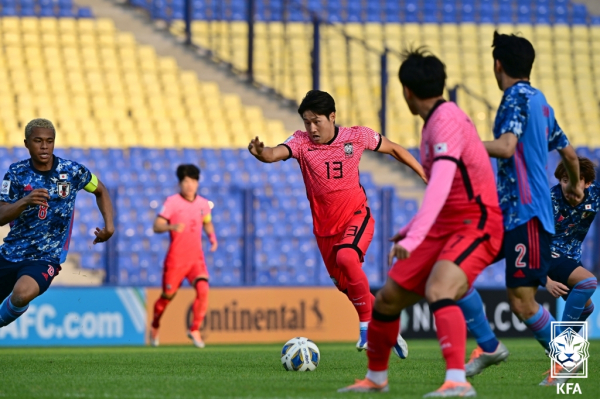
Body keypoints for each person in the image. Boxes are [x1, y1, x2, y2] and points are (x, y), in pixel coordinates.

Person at [338, 48, 504, 397]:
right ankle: (376, 379)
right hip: (450, 223)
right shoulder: (438, 120)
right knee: (387, 300)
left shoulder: (444, 122)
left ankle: (459, 381)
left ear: (406, 92)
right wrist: (414, 229)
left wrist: (413, 239)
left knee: (443, 289)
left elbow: (440, 183)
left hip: (477, 221)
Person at [248, 89, 426, 355]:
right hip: (324, 231)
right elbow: (274, 153)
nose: (311, 128)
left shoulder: (356, 136)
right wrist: (261, 152)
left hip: (357, 216)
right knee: (349, 287)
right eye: (306, 122)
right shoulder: (300, 142)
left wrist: (424, 173)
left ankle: (366, 325)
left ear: (332, 117)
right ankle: (389, 329)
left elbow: (395, 149)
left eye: (316, 121)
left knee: (347, 257)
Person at [456, 32, 583, 386]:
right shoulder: (541, 101)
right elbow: (570, 154)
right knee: (457, 270)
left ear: (498, 65)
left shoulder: (513, 97)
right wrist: (574, 184)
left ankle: (568, 361)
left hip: (525, 213)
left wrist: (462, 147)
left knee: (523, 303)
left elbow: (507, 146)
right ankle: (488, 344)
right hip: (508, 214)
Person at [0, 118, 114, 328]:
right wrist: (25, 201)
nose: (44, 146)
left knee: (21, 294)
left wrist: (110, 226)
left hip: (45, 257)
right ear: (26, 143)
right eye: (38, 141)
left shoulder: (72, 171)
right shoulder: (16, 173)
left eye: (49, 141)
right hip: (10, 252)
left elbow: (101, 190)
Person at [150, 164, 217, 348]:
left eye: (193, 181)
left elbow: (207, 222)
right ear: (180, 183)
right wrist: (170, 227)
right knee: (167, 296)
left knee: (203, 289)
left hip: (196, 258)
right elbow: (156, 226)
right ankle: (155, 325)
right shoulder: (172, 202)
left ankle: (194, 329)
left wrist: (212, 238)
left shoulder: (203, 204)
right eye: (186, 181)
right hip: (176, 259)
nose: (190, 185)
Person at [546, 157, 598, 329]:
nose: (568, 186)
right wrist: (545, 280)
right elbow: (531, 240)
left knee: (587, 308)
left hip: (572, 257)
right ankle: (561, 345)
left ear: (588, 183)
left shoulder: (595, 194)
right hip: (548, 255)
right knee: (589, 281)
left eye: (574, 181)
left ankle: (559, 345)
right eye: (564, 181)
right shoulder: (549, 201)